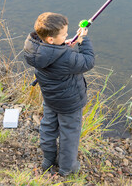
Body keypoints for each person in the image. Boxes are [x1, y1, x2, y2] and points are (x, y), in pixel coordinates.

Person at [23, 12, 95, 176]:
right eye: (64, 34)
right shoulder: (67, 58)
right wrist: (83, 41)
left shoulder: (33, 48)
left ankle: (48, 161)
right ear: (50, 39)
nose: (67, 36)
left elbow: (52, 53)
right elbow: (88, 61)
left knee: (48, 127)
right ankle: (66, 169)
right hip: (69, 104)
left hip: (50, 99)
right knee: (69, 134)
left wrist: (61, 45)